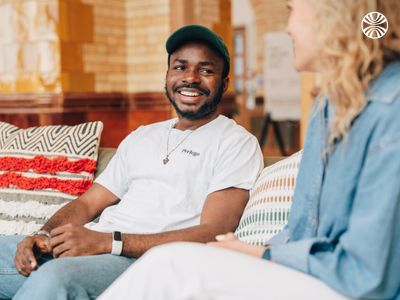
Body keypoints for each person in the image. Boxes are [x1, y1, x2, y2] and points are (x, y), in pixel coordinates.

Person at [99, 0, 400, 299]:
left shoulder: (392, 110)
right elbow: (302, 231)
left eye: (292, 10)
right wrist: (253, 251)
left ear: (332, 17)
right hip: (310, 274)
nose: (287, 28)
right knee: (168, 263)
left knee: (170, 267)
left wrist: (264, 256)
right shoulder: (328, 106)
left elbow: (369, 278)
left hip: (350, 288)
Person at [0, 25, 264, 300]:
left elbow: (214, 232)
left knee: (55, 279)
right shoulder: (142, 136)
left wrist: (109, 242)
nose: (190, 78)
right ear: (167, 76)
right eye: (180, 67)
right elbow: (87, 203)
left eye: (206, 70)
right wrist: (42, 234)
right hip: (90, 247)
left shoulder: (236, 142)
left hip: (144, 262)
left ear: (224, 84)